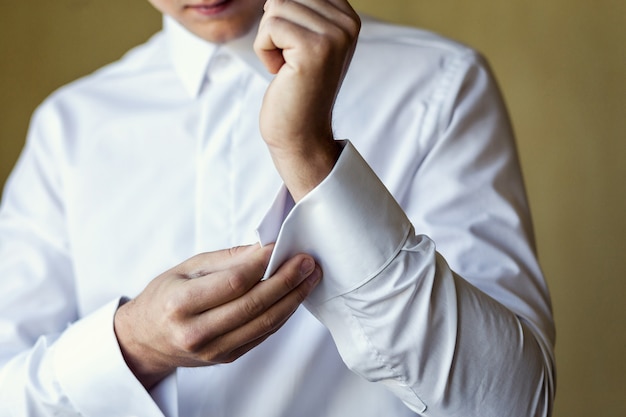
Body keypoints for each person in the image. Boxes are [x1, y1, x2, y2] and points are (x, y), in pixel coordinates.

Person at [0, 0, 556, 415]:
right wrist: (131, 346)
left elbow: (512, 403)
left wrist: (309, 154)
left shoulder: (440, 86)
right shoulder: (69, 128)